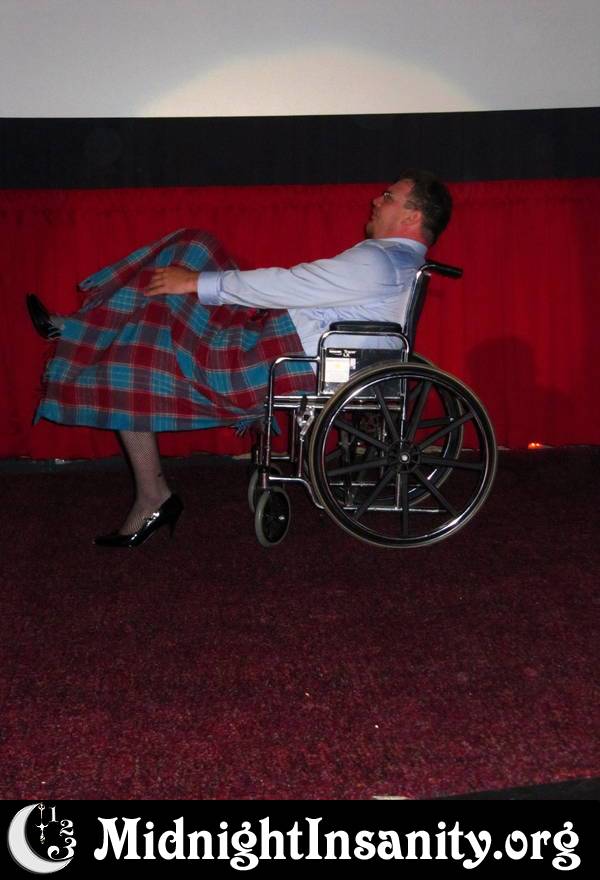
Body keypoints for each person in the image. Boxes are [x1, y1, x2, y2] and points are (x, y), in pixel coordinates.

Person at [27, 169, 452, 548]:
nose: (376, 200)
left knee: (137, 353)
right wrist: (198, 282)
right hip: (273, 339)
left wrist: (197, 283)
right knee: (194, 247)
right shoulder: (392, 261)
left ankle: (151, 495)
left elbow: (291, 284)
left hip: (278, 358)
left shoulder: (379, 261)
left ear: (412, 216)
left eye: (389, 197)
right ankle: (79, 329)